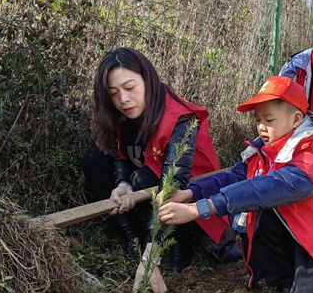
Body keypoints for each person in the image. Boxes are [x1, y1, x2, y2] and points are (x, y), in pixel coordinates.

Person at [156, 76, 313, 293]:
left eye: (269, 120)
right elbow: (236, 176)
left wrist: (198, 209)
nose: (261, 126)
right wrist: (189, 192)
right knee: (259, 213)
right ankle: (287, 288)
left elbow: (268, 186)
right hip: (299, 239)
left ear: (295, 119)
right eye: (258, 120)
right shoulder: (264, 151)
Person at [81, 47, 241, 272]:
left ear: (147, 80)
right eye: (113, 92)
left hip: (190, 189)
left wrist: (150, 256)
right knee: (93, 162)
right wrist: (122, 184)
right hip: (150, 179)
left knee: (143, 179)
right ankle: (131, 234)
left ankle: (178, 240)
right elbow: (122, 155)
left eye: (129, 87)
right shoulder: (121, 113)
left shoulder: (180, 118)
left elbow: (173, 184)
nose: (123, 99)